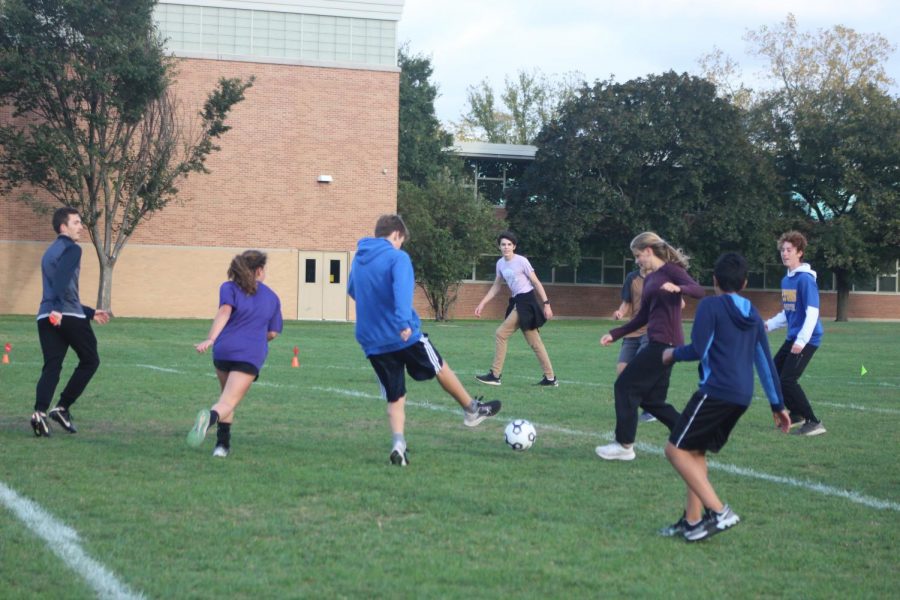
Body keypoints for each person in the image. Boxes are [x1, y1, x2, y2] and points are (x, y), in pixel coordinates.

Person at [348, 214, 501, 466]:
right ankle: (472, 409)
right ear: (396, 235)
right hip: (403, 335)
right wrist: (402, 323)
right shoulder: (398, 257)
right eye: (401, 241)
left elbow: (353, 290)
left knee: (395, 396)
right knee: (439, 365)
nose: (401, 246)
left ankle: (399, 442)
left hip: (372, 340)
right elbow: (402, 292)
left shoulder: (360, 258)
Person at [659, 252, 791, 542]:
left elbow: (698, 349)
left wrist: (671, 354)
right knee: (694, 452)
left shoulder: (710, 306)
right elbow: (765, 362)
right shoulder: (753, 313)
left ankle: (720, 512)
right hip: (741, 396)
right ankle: (692, 522)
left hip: (716, 391)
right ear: (744, 283)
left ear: (714, 280)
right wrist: (777, 404)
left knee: (674, 450)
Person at [597, 232, 705, 460]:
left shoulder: (671, 271)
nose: (637, 260)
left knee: (624, 387)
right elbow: (641, 317)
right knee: (651, 401)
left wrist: (679, 289)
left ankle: (624, 445)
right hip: (661, 342)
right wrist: (615, 334)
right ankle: (691, 434)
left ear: (648, 250)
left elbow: (699, 291)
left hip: (665, 343)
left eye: (638, 255)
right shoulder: (652, 279)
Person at [187, 250, 283, 457]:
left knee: (225, 399)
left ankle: (222, 447)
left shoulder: (228, 287)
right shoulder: (272, 297)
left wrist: (211, 339)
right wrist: (256, 338)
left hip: (223, 350)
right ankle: (209, 419)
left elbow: (224, 312)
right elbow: (273, 333)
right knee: (227, 403)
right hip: (249, 355)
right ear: (258, 270)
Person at [31, 207, 111, 437]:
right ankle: (62, 407)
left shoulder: (48, 252)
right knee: (90, 360)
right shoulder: (72, 249)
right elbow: (62, 279)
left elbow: (59, 287)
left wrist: (88, 311)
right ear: (63, 227)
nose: (81, 227)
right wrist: (60, 309)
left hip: (45, 316)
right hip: (64, 314)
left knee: (52, 366)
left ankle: (40, 413)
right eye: (76, 222)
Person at [474, 231, 558, 387]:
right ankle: (551, 378)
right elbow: (496, 286)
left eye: (509, 245)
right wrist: (482, 303)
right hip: (516, 302)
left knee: (501, 334)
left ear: (514, 246)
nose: (506, 247)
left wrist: (547, 304)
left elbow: (537, 283)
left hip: (526, 302)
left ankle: (495, 375)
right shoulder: (500, 263)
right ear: (499, 247)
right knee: (535, 343)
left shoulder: (522, 261)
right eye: (503, 244)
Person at [765, 231, 826, 436]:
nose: (784, 253)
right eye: (782, 250)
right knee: (774, 373)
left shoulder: (805, 280)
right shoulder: (787, 280)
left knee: (787, 380)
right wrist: (769, 325)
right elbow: (788, 311)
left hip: (807, 338)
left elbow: (812, 313)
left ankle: (814, 422)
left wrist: (801, 340)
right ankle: (797, 415)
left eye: (789, 250)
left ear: (799, 253)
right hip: (793, 337)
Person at [613, 265, 656, 423]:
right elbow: (626, 303)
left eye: (641, 254)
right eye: (637, 256)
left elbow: (678, 302)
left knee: (640, 368)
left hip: (651, 330)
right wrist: (620, 313)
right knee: (622, 370)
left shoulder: (661, 277)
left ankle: (650, 409)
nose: (639, 259)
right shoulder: (632, 277)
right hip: (632, 330)